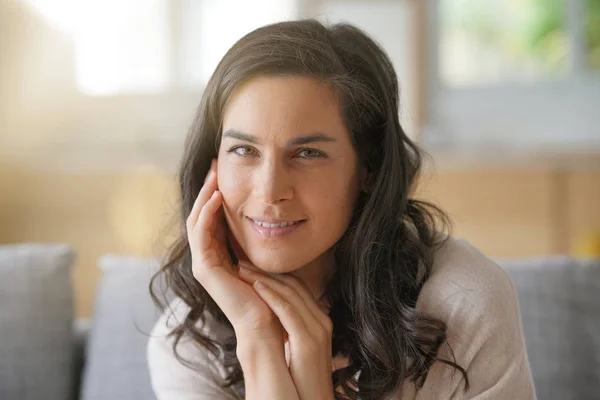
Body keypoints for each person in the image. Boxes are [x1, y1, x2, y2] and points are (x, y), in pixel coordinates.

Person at [147, 19, 536, 400]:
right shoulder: (187, 341)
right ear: (212, 164)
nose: (270, 191)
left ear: (368, 169)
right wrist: (257, 337)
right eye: (244, 150)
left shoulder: (464, 303)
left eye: (307, 153)